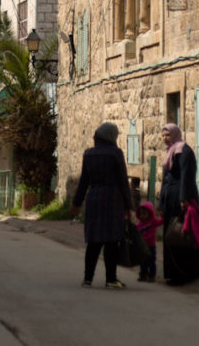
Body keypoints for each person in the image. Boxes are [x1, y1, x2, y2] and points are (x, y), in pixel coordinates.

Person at [70, 122, 133, 289]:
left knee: (94, 241)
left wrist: (76, 203)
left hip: (94, 198)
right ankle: (111, 279)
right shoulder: (116, 153)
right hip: (113, 200)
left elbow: (83, 181)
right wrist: (129, 206)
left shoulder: (88, 154)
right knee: (112, 241)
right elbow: (123, 181)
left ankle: (87, 279)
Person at [158, 122, 199, 285]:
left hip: (181, 199)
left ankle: (184, 273)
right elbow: (165, 180)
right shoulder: (170, 152)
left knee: (184, 234)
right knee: (172, 235)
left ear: (175, 134)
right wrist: (161, 203)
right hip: (170, 199)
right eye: (163, 136)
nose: (165, 139)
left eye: (168, 135)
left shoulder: (184, 151)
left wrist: (184, 199)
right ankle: (172, 273)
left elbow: (187, 177)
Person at [135, 201, 163, 282]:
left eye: (144, 213)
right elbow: (136, 232)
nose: (142, 216)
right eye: (141, 214)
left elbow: (161, 221)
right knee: (143, 261)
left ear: (150, 213)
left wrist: (163, 216)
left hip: (151, 246)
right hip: (143, 247)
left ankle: (151, 275)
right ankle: (143, 274)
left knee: (151, 261)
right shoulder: (139, 224)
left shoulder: (153, 222)